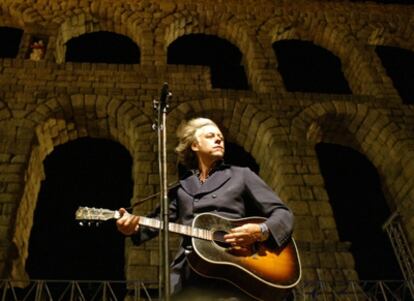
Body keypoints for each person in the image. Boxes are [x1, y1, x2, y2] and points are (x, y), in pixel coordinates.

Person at [116, 117, 294, 300]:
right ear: (194, 145)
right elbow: (157, 221)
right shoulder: (181, 187)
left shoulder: (241, 175)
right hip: (188, 272)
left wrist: (260, 231)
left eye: (221, 137)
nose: (219, 140)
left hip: (236, 269)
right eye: (210, 136)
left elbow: (283, 214)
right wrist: (134, 228)